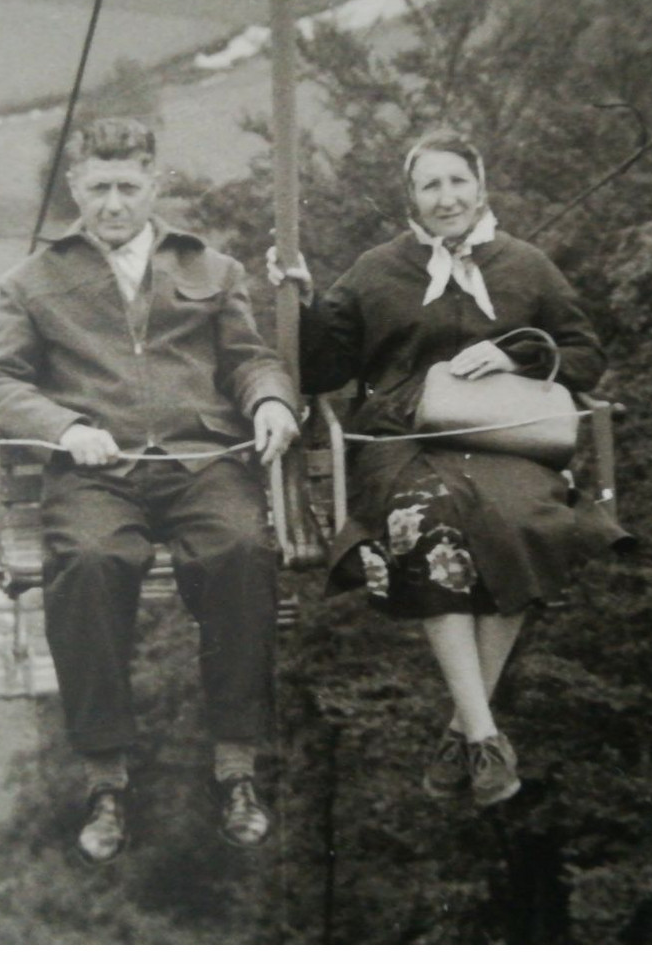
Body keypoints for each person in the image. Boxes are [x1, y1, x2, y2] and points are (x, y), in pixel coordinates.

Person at [0, 116, 300, 859]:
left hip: (200, 463)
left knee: (243, 548)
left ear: (155, 183)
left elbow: (250, 359)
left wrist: (271, 399)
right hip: (96, 470)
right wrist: (63, 427)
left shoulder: (212, 269)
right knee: (87, 560)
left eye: (127, 186)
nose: (113, 204)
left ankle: (236, 766)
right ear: (76, 188)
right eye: (97, 188)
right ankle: (105, 778)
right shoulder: (33, 281)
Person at [269, 128, 607, 808]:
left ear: (480, 187)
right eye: (432, 185)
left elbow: (586, 354)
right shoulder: (377, 270)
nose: (447, 197)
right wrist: (300, 307)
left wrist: (518, 356)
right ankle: (482, 734)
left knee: (528, 522)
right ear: (412, 199)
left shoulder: (527, 265)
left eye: (458, 181)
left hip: (506, 437)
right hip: (400, 442)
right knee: (430, 520)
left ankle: (466, 732)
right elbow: (327, 367)